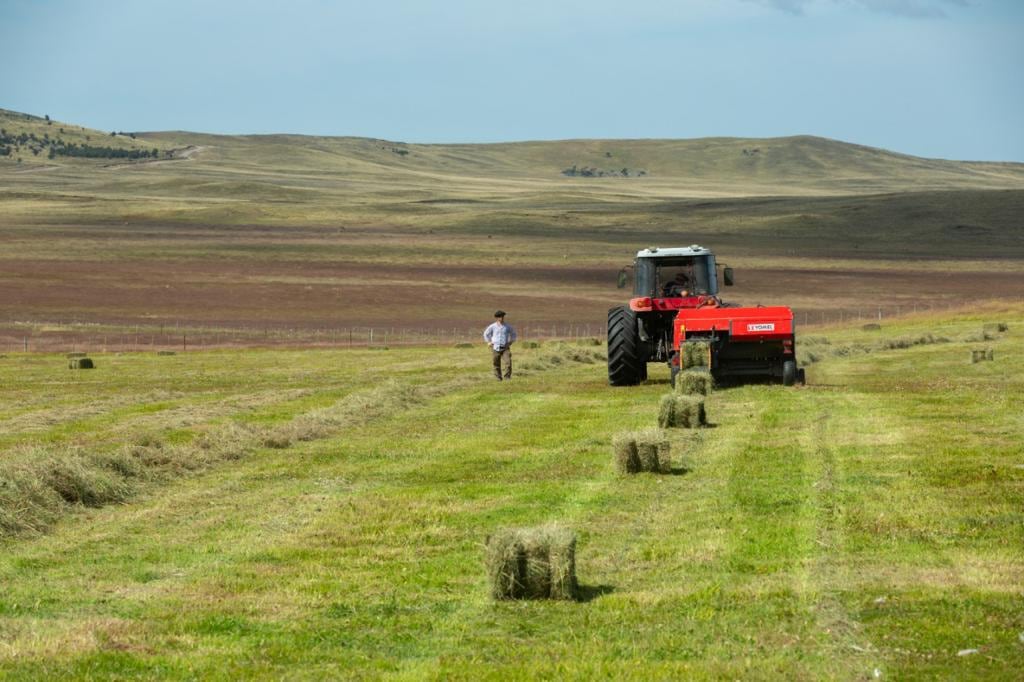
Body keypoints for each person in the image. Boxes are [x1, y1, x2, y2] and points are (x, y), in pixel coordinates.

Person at [483, 310, 516, 380]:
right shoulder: (492, 326)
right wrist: (489, 342)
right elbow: (486, 334)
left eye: (502, 317)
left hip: (505, 348)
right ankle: (498, 378)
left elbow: (513, 334)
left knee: (508, 363)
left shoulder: (508, 326)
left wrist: (510, 342)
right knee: (496, 364)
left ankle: (507, 378)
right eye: (500, 317)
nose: (502, 318)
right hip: (495, 347)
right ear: (497, 318)